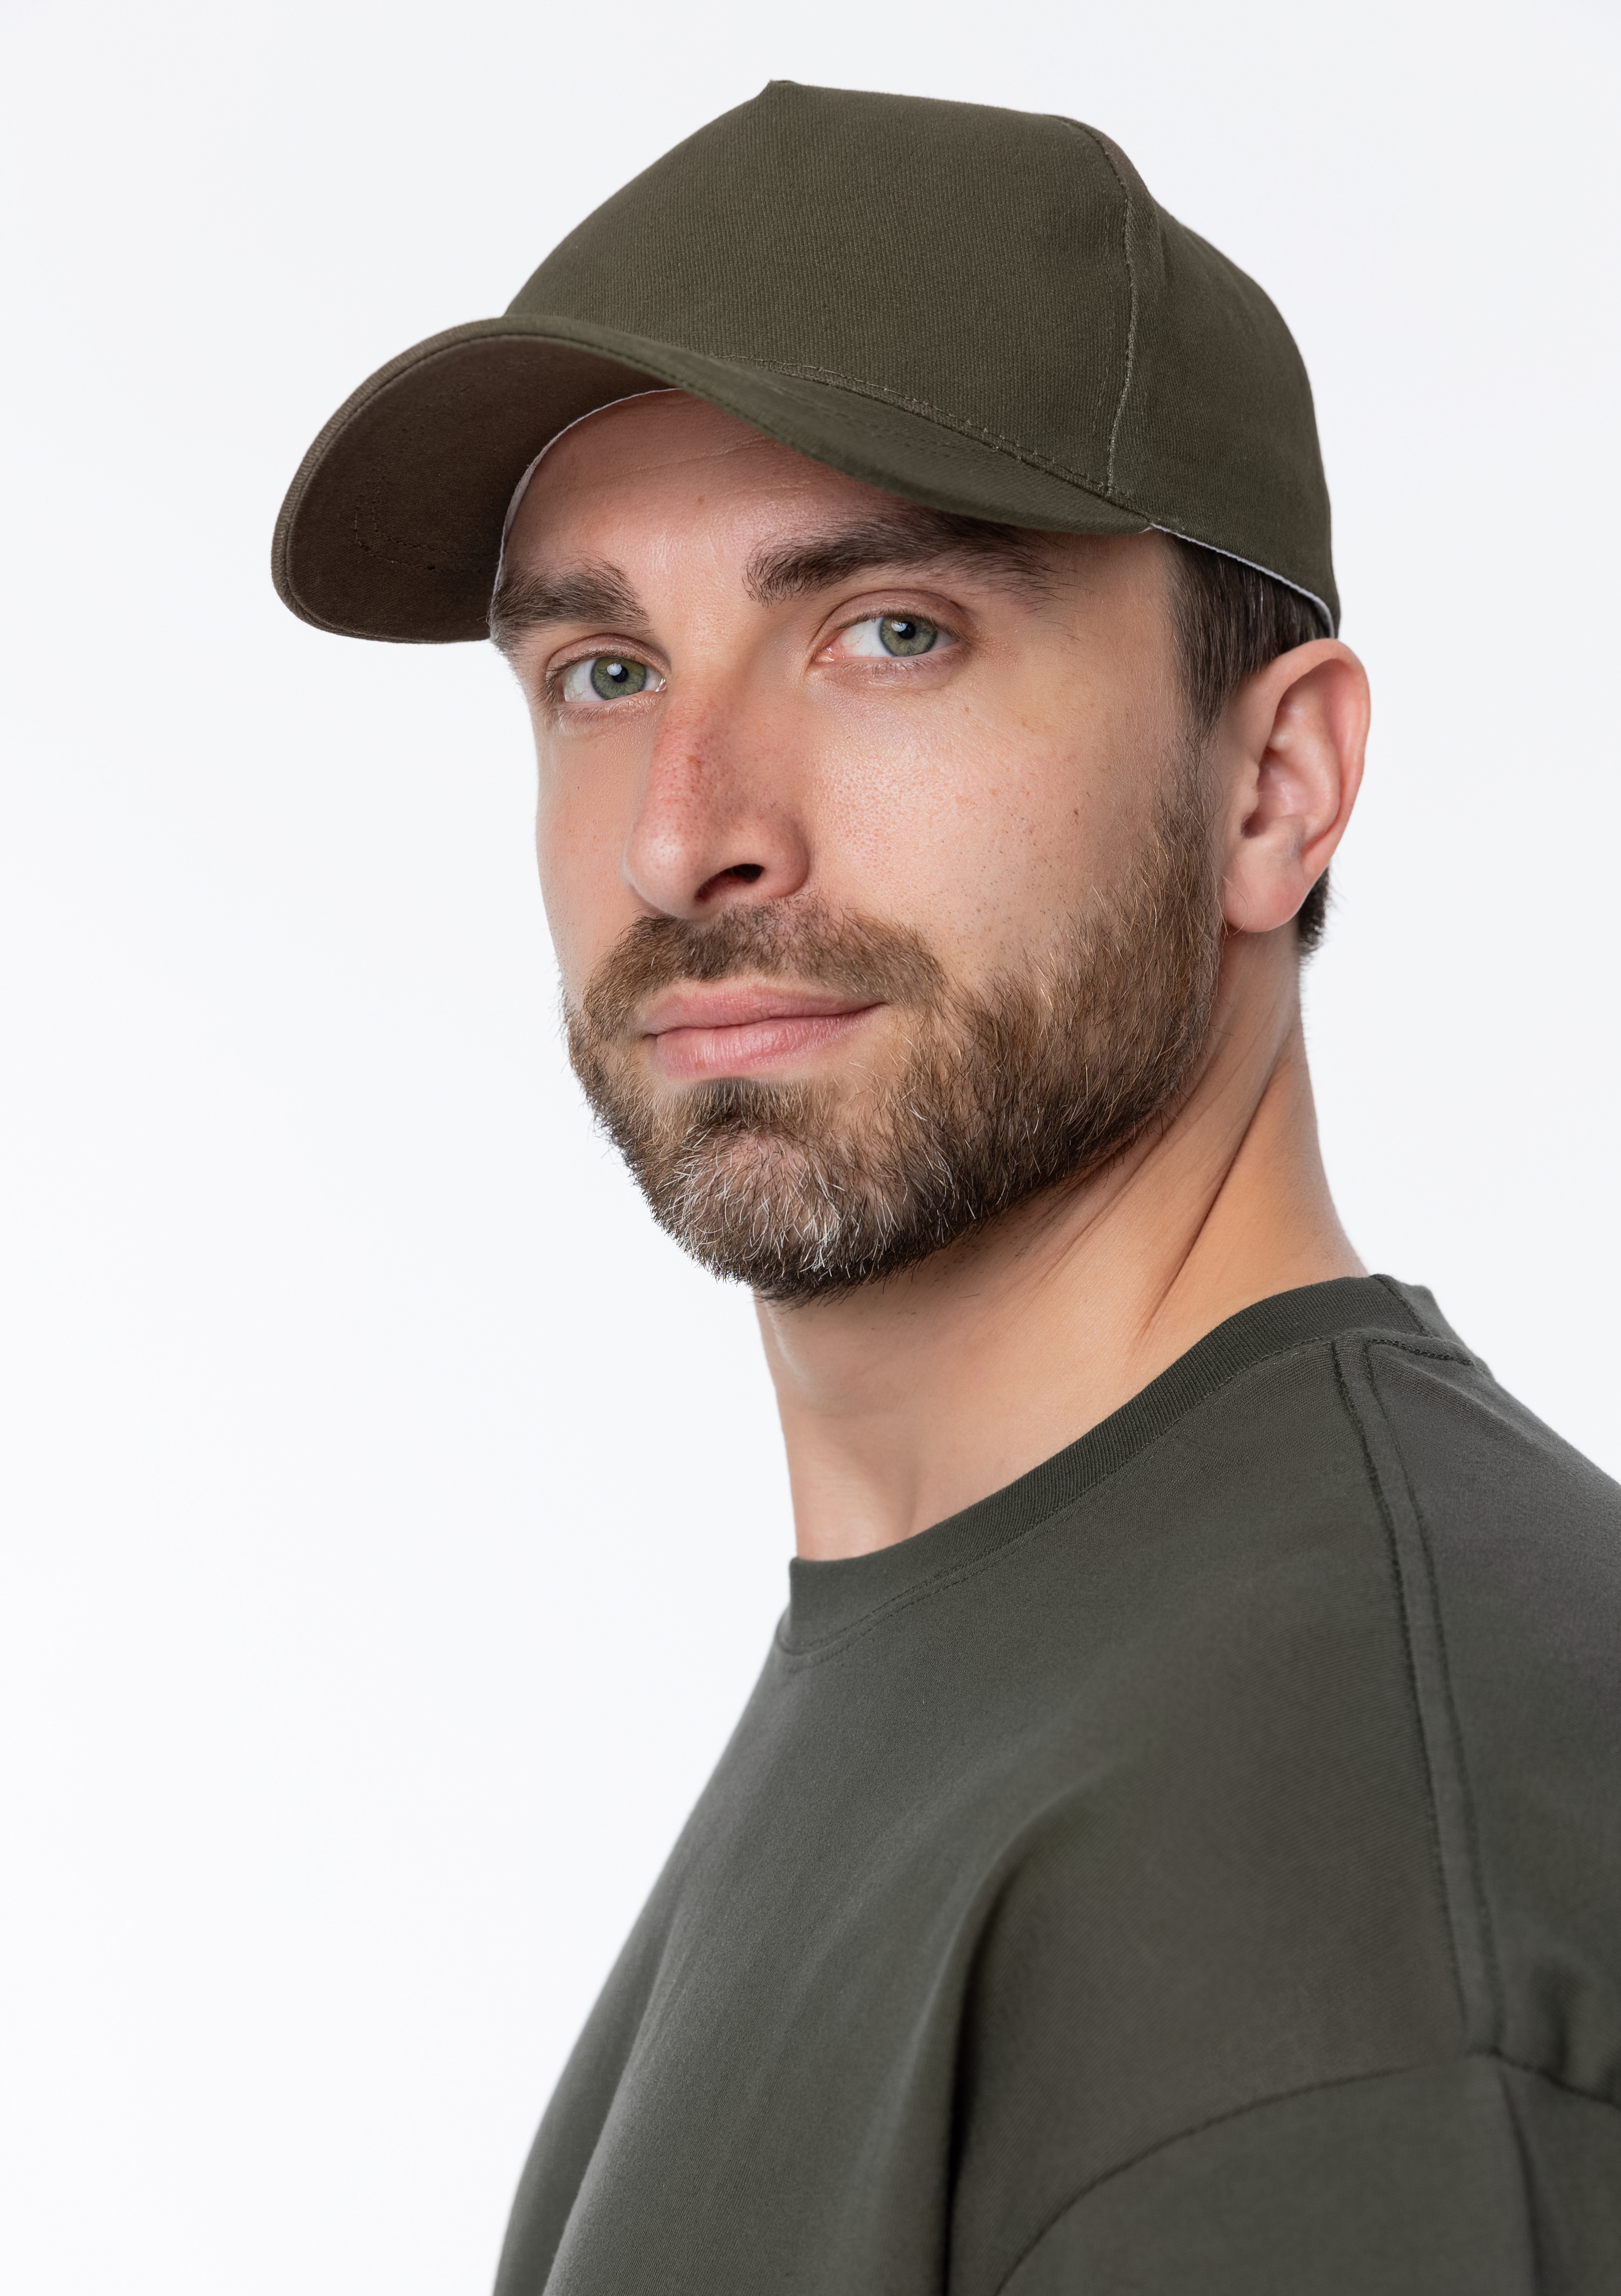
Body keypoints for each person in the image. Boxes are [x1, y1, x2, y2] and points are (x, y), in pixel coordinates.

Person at [273, 81, 1621, 2296]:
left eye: (888, 631)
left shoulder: (1329, 1854)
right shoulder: (997, 1655)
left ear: (1275, 785)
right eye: (604, 670)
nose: (685, 835)